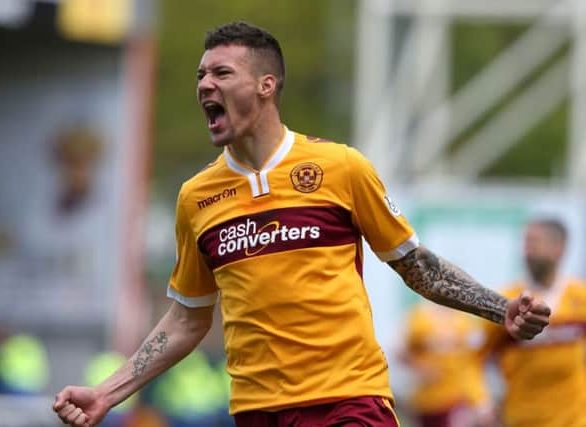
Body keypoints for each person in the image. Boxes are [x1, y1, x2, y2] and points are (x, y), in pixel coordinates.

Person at [53, 21, 551, 427]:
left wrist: (500, 307)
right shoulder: (195, 198)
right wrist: (105, 393)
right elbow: (187, 319)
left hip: (348, 400)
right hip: (257, 411)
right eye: (201, 75)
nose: (205, 84)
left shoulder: (340, 167)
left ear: (266, 86)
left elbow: (415, 264)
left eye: (222, 73)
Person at [478, 218, 586, 427]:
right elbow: (475, 356)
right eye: (526, 243)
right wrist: (482, 400)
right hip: (522, 418)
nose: (527, 251)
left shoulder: (580, 297)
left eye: (535, 242)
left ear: (558, 248)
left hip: (574, 419)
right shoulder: (508, 301)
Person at [399, 301, 494, 427]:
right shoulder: (419, 317)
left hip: (456, 397)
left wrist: (480, 399)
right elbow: (402, 351)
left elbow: (472, 363)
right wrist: (421, 368)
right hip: (426, 401)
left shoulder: (464, 320)